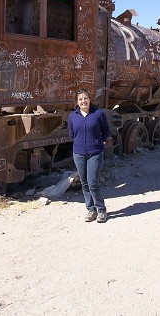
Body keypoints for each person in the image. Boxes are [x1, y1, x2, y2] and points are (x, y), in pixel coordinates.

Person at [68, 89, 110, 223]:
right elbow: (71, 133)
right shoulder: (72, 116)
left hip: (95, 153)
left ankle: (101, 210)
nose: (83, 101)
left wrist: (101, 142)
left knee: (93, 183)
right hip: (78, 153)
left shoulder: (98, 114)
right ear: (77, 102)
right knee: (84, 183)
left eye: (85, 98)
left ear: (89, 99)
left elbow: (106, 130)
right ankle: (91, 209)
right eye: (80, 99)